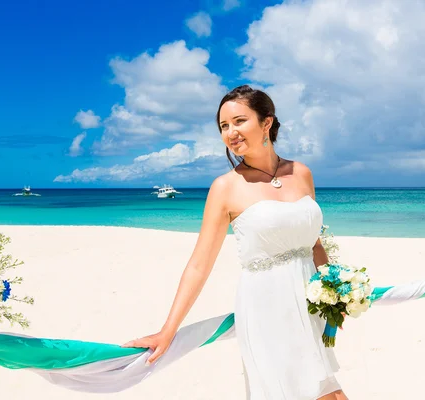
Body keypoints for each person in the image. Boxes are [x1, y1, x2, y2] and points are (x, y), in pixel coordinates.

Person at [123, 85, 348, 400]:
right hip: (267, 305)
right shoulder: (225, 187)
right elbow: (200, 264)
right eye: (223, 126)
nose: (230, 132)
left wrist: (336, 295)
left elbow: (314, 244)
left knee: (325, 390)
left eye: (239, 121)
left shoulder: (301, 173)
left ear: (266, 123)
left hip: (311, 303)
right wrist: (168, 329)